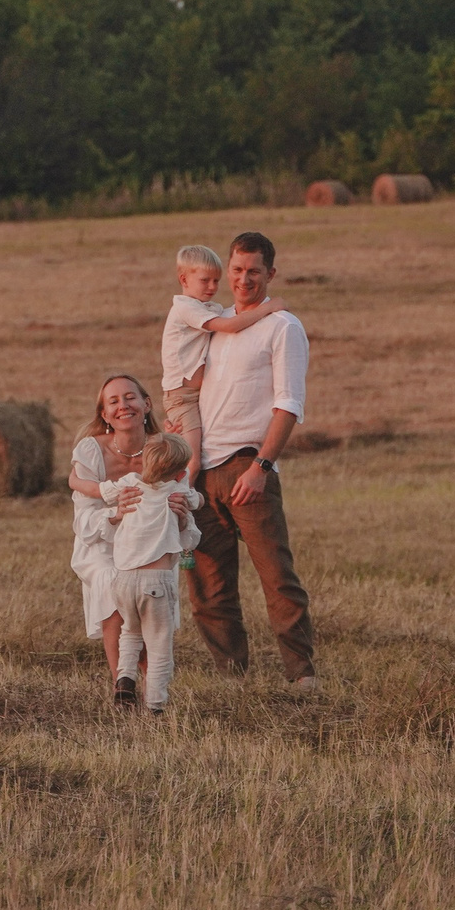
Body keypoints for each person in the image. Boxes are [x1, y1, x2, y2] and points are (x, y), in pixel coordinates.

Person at [186, 230, 317, 689]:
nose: (244, 279)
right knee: (208, 589)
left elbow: (289, 405)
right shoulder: (216, 322)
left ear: (270, 274)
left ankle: (301, 677)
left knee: (277, 579)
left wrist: (262, 467)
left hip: (247, 466)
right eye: (237, 270)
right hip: (201, 472)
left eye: (254, 271)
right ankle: (232, 678)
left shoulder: (284, 327)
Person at [67, 372, 163, 697]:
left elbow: (180, 495)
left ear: (146, 404)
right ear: (105, 415)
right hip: (99, 543)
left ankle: (154, 688)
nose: (124, 405)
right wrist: (116, 513)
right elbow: (83, 525)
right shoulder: (90, 452)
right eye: (114, 401)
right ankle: (122, 685)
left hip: (147, 543)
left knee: (147, 593)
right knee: (112, 580)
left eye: (130, 397)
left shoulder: (162, 450)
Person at [162, 245, 283, 484]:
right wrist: (267, 308)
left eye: (216, 281)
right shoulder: (185, 308)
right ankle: (176, 505)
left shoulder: (207, 308)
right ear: (184, 279)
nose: (212, 287)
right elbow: (229, 326)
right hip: (182, 397)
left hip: (195, 397)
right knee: (193, 462)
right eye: (205, 280)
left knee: (193, 455)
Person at [100, 431, 202, 713]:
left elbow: (105, 492)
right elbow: (196, 509)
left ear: (144, 460)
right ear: (181, 472)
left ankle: (123, 682)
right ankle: (155, 706)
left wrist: (77, 481)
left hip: (123, 579)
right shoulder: (177, 492)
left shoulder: (130, 484)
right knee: (159, 646)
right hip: (156, 581)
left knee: (130, 632)